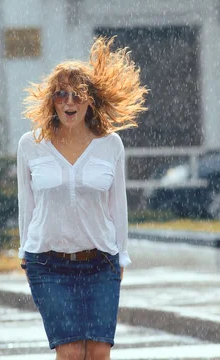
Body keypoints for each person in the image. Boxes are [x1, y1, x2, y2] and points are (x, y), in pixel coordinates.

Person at [16, 36, 148, 360]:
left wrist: (122, 256)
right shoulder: (30, 145)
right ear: (52, 101)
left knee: (100, 352)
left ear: (90, 101)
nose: (69, 101)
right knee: (72, 352)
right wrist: (24, 250)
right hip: (48, 263)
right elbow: (27, 205)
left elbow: (118, 207)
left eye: (77, 94)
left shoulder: (111, 145)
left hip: (100, 261)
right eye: (61, 94)